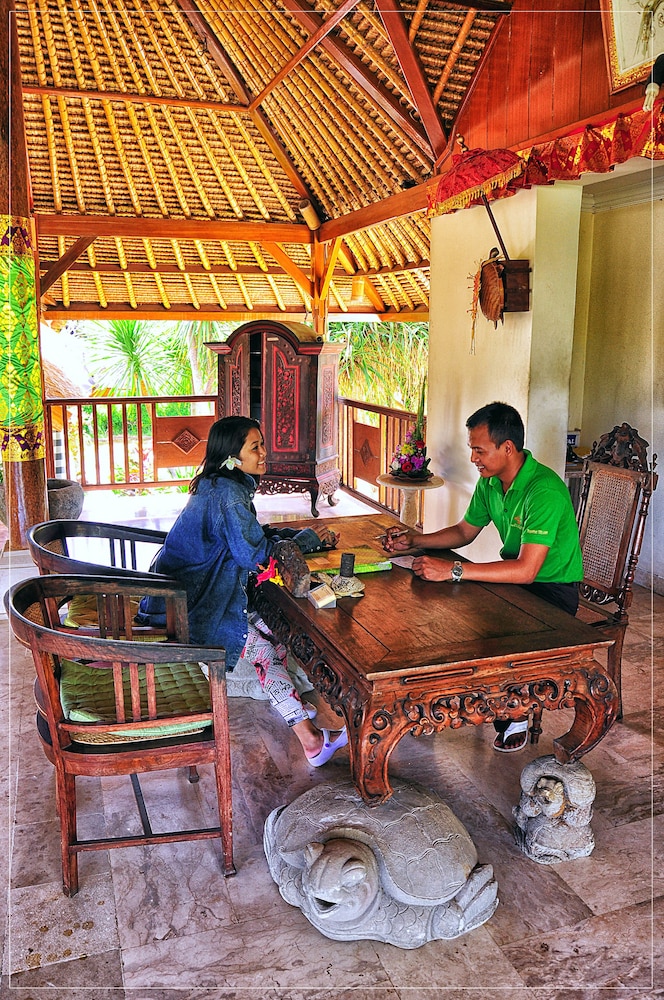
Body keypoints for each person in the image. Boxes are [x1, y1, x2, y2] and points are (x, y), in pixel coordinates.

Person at [138, 415, 348, 767]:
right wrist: (306, 539)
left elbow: (249, 540)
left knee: (275, 632)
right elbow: (254, 554)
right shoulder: (230, 496)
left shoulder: (219, 485)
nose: (265, 453)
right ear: (233, 457)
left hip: (186, 596)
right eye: (256, 447)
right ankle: (310, 741)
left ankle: (289, 702)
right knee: (266, 647)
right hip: (188, 609)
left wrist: (288, 539)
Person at [382, 401, 583, 752]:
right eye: (472, 449)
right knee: (452, 610)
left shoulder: (543, 490)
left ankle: (513, 708)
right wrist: (414, 541)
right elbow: (463, 531)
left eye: (479, 450)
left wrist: (455, 570)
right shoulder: (491, 483)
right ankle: (447, 700)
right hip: (522, 584)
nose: (474, 458)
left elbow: (526, 570)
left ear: (508, 448)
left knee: (484, 623)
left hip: (553, 592)